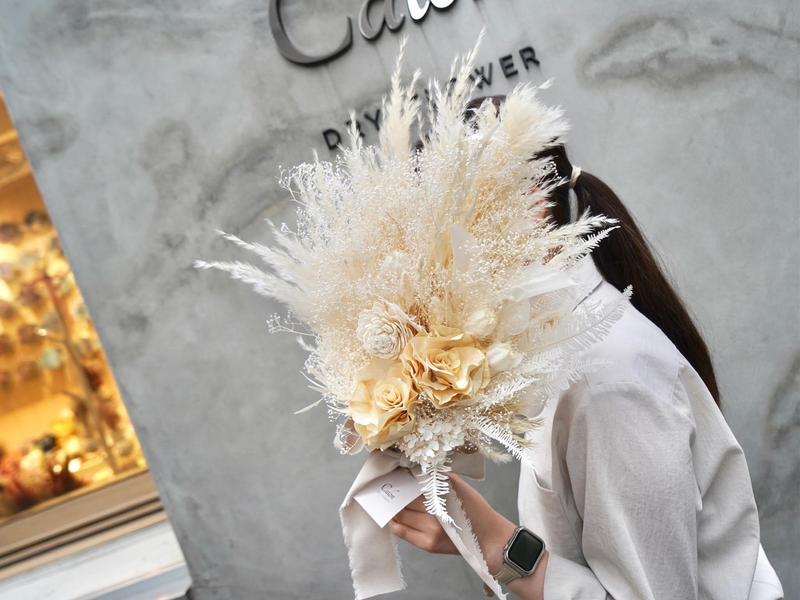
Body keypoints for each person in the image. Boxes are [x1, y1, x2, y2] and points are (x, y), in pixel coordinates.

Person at [389, 97, 784, 599]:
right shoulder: (563, 349)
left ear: (530, 204)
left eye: (442, 228)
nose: (433, 263)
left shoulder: (605, 378)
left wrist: (492, 543)